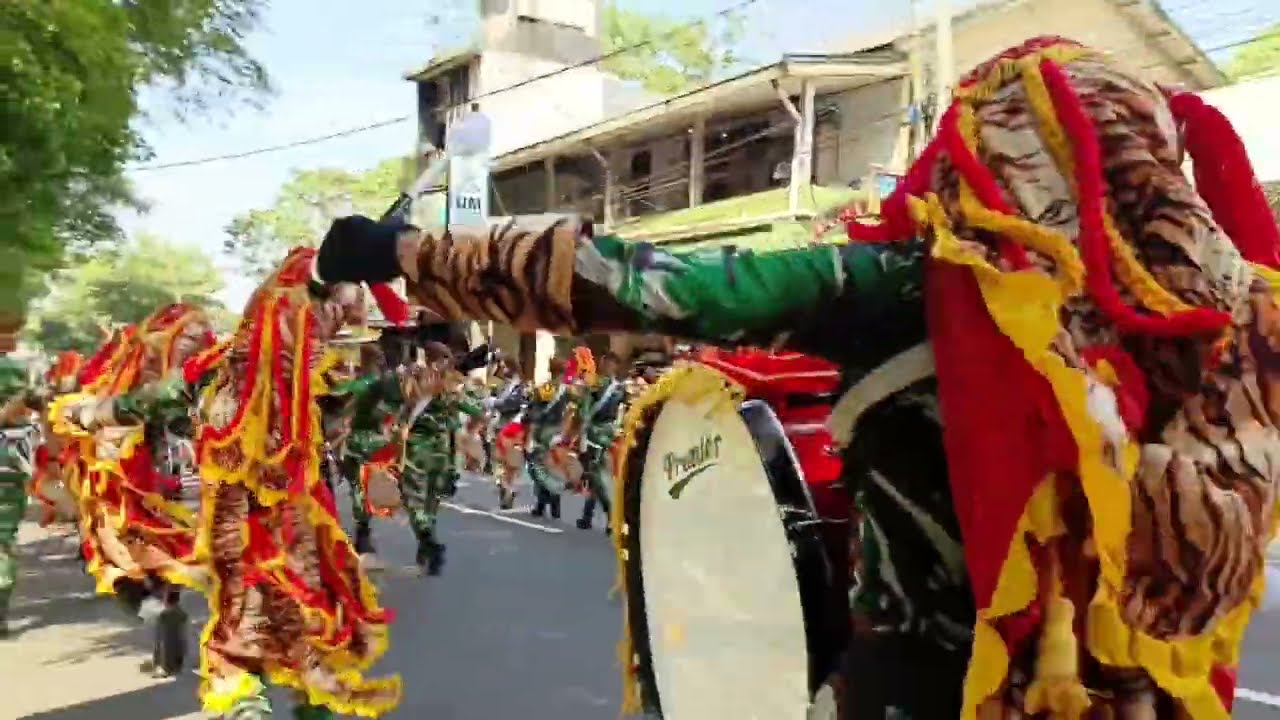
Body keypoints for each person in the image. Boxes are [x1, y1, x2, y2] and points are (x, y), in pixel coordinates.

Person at [313, 36, 1280, 718]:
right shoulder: (1235, 323)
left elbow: (666, 289)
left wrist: (409, 250)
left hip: (931, 676)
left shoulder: (916, 287)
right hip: (1147, 695)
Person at [60, 248, 403, 719]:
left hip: (268, 530)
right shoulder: (280, 372)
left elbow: (147, 402)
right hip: (268, 530)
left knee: (271, 641)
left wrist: (89, 412)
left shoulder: (252, 371)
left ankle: (252, 703)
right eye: (334, 317)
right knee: (294, 639)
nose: (337, 334)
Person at [575, 351, 624, 532]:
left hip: (601, 433)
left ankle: (611, 515)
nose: (607, 366)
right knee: (593, 475)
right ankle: (587, 517)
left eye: (610, 363)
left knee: (594, 474)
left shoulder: (619, 388)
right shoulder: (600, 385)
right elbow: (585, 408)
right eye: (606, 363)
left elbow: (585, 410)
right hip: (602, 432)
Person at [525, 356, 571, 519]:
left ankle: (543, 502)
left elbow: (534, 416)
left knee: (538, 467)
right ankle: (552, 502)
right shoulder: (569, 390)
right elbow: (571, 414)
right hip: (557, 432)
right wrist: (563, 433)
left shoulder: (545, 389)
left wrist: (529, 438)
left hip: (544, 432)